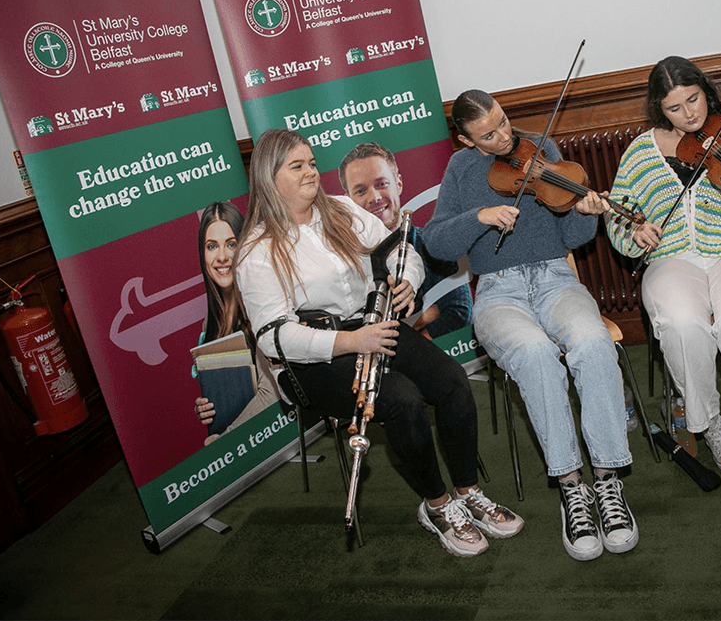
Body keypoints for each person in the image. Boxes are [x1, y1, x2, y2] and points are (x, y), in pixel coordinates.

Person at [233, 128, 522, 557]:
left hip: (374, 326)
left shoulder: (342, 209)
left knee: (452, 381)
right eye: (298, 166)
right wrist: (351, 341)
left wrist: (408, 280)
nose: (312, 172)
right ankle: (438, 505)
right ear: (269, 177)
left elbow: (400, 251)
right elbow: (275, 338)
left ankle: (467, 491)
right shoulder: (258, 250)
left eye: (312, 162)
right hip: (316, 358)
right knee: (403, 401)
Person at [424, 90, 638, 562]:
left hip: (555, 277)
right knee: (538, 355)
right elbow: (436, 241)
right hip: (498, 289)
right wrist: (479, 216)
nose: (504, 136)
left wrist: (586, 217)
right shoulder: (460, 170)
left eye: (503, 122)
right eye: (488, 134)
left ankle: (607, 481)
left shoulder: (541, 148)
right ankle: (571, 488)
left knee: (592, 342)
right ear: (465, 139)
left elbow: (569, 235)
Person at [604, 57, 721, 487]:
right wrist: (637, 230)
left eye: (694, 99)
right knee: (682, 323)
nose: (690, 114)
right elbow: (617, 216)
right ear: (658, 110)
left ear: (705, 90)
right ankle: (713, 426)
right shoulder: (639, 153)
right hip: (672, 259)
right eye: (675, 108)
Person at [338, 141, 473, 340]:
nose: (374, 197)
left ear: (398, 184)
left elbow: (460, 313)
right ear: (348, 201)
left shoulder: (432, 244)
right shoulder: (342, 261)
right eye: (360, 190)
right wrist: (427, 314)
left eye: (381, 184)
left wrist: (405, 340)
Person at [192, 201, 276, 444]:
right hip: (244, 440)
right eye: (211, 246)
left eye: (231, 244)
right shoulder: (211, 318)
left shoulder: (258, 302)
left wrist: (225, 442)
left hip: (274, 434)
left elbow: (271, 395)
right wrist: (207, 407)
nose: (221, 257)